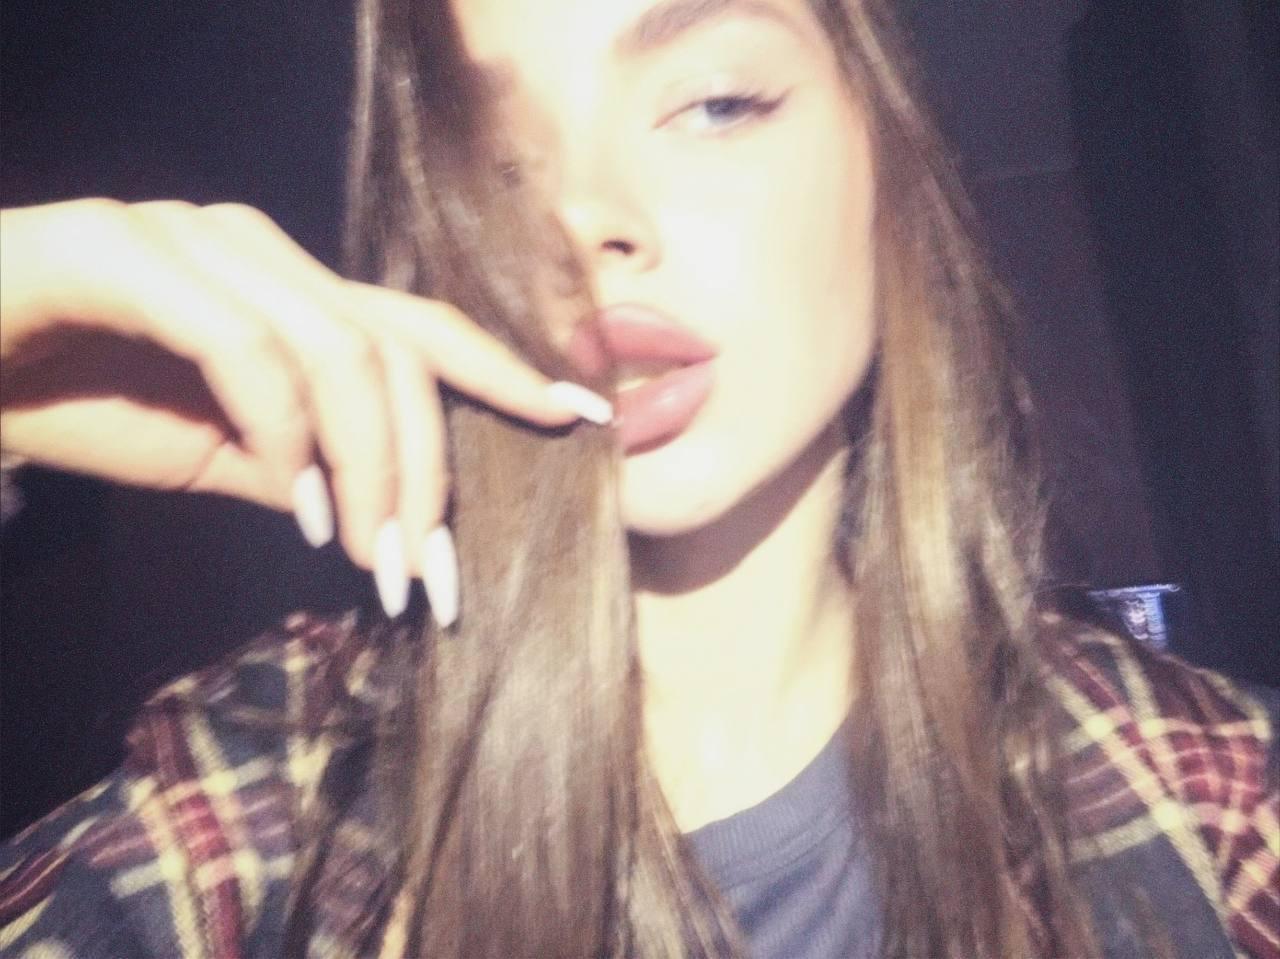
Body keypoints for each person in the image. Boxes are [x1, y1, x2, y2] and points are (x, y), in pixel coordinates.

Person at [0, 0, 1276, 955]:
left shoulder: (1204, 790)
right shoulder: (269, 787)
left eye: (713, 102)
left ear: (885, 157)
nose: (583, 217)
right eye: (499, 160)